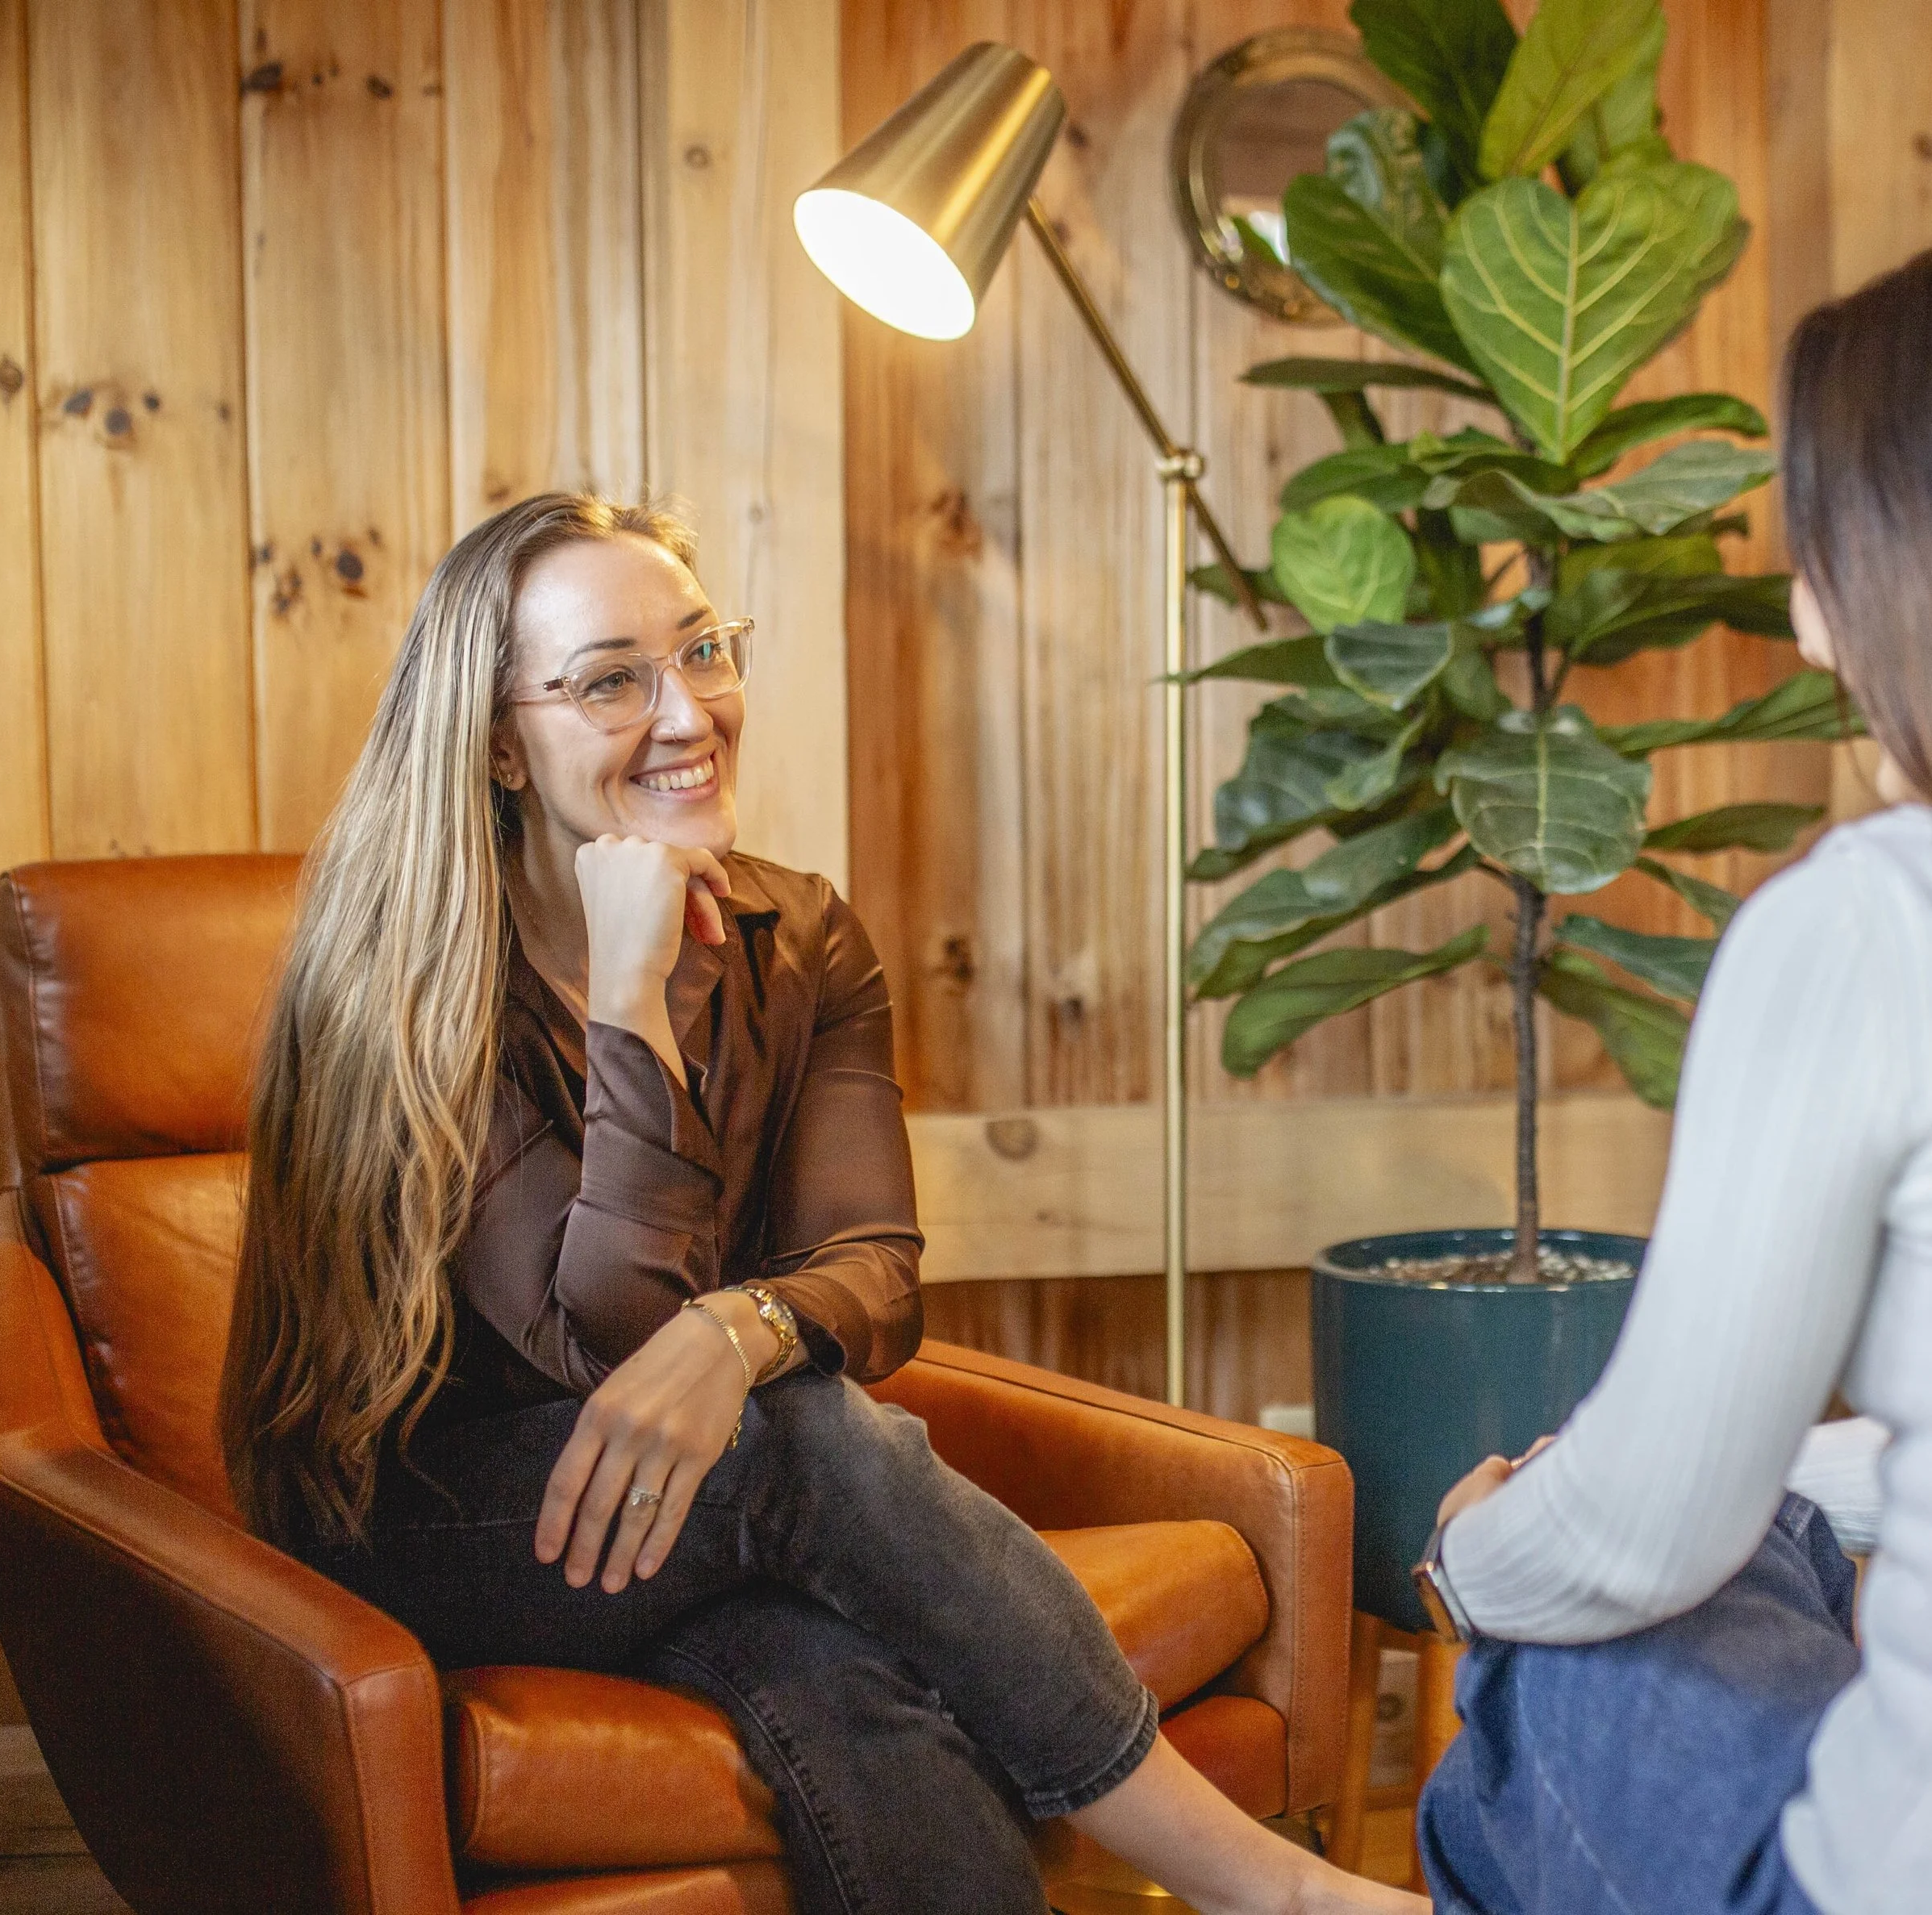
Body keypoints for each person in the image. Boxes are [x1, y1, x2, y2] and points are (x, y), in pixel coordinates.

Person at [217, 490, 1421, 1915]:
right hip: (424, 1520)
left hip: (703, 1505)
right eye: (611, 679)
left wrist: (742, 1330)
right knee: (794, 1432)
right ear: (497, 742)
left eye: (704, 651)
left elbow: (879, 1270)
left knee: (844, 1672)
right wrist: (628, 1003)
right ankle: (1270, 1889)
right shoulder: (405, 982)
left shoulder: (803, 935)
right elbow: (595, 1342)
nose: (687, 712)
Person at [1412, 251, 1932, 1915]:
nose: (1797, 618)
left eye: (1816, 560)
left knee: (1535, 1661)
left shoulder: (1868, 921)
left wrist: (1462, 1561)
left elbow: (1638, 1537)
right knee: (1754, 1520)